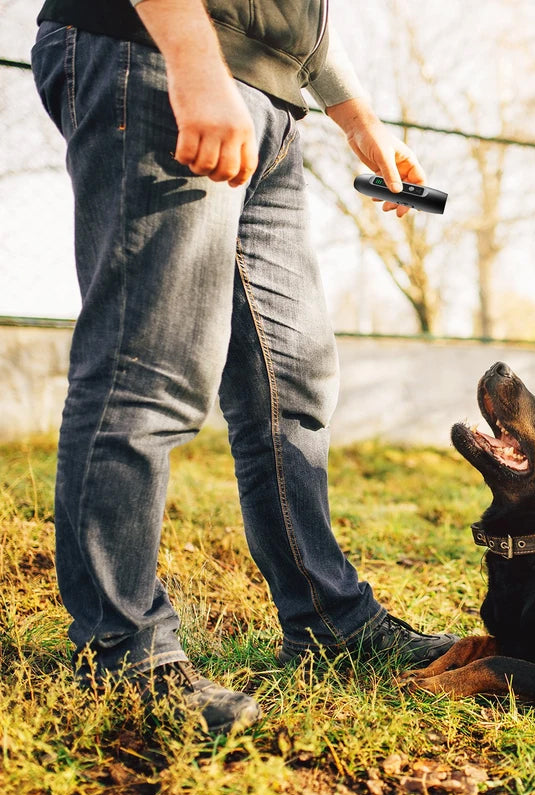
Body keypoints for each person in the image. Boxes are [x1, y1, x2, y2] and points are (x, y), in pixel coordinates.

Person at [31, 0, 457, 736]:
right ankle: (122, 650)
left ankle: (331, 621)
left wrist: (358, 119)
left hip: (271, 98)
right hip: (158, 51)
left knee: (289, 383)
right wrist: (194, 64)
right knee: (149, 371)